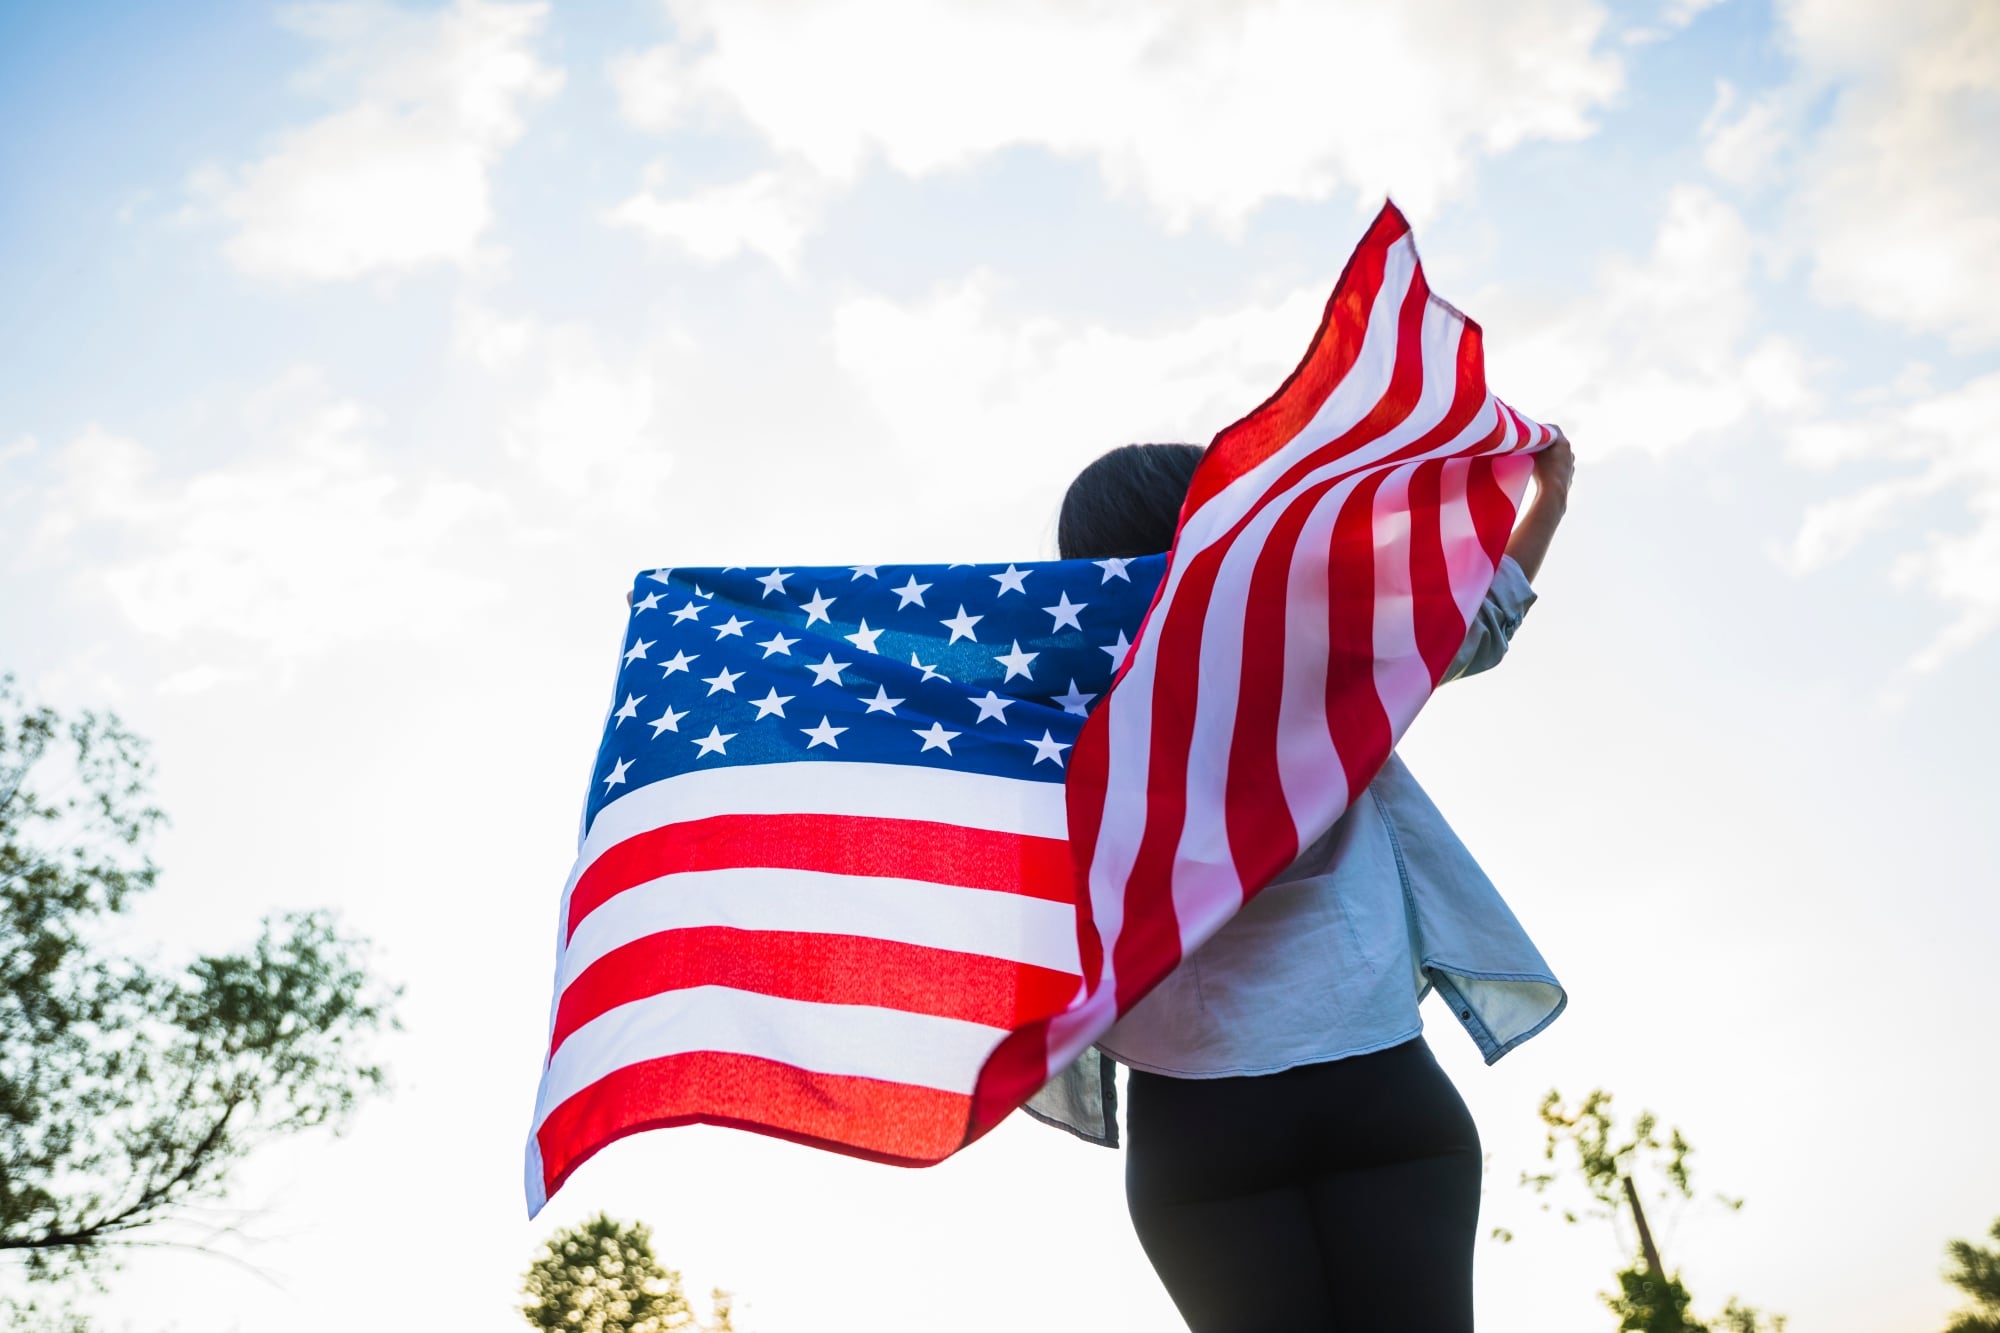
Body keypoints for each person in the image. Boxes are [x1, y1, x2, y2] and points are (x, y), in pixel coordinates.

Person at [1031, 433, 1577, 1332]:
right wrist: (1546, 497)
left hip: (1198, 1127)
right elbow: (1477, 624)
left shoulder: (1057, 718)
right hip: (1378, 1088)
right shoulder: (1317, 651)